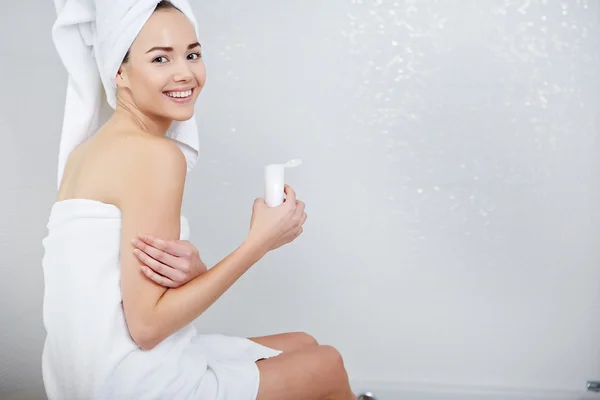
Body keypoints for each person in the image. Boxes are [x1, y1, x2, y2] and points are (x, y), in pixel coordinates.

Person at [43, 1, 357, 399]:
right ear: (119, 71)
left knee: (302, 341)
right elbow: (148, 327)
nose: (185, 73)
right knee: (326, 362)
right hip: (132, 384)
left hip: (82, 379)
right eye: (160, 58)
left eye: (192, 54)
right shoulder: (154, 156)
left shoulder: (89, 151)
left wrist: (195, 272)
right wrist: (259, 242)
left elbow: (117, 291)